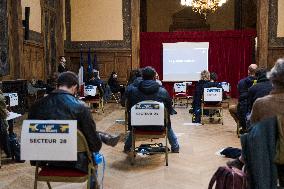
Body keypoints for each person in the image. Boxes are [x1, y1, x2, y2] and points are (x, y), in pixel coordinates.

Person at [28, 72, 120, 172]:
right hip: (75, 162)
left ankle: (102, 136)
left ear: (57, 85)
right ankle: (103, 137)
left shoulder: (35, 106)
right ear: (75, 87)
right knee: (86, 136)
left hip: (44, 160)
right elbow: (95, 146)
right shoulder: (81, 107)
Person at [228, 59, 284, 183]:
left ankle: (241, 160)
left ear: (273, 79)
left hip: (270, 160)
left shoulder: (262, 104)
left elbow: (252, 136)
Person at [124, 66, 180, 153]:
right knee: (166, 120)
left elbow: (129, 109)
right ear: (154, 77)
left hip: (138, 126)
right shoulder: (162, 91)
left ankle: (127, 147)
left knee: (137, 120)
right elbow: (169, 109)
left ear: (142, 77)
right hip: (159, 127)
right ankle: (175, 147)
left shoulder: (133, 91)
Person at [229, 64, 258, 132]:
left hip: (244, 107)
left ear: (248, 71)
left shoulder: (241, 82)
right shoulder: (261, 82)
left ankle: (241, 124)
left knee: (231, 108)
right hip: (257, 107)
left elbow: (239, 96)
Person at [0, 90, 11, 158]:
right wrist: (6, 112)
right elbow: (4, 114)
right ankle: (8, 152)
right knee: (4, 135)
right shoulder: (1, 97)